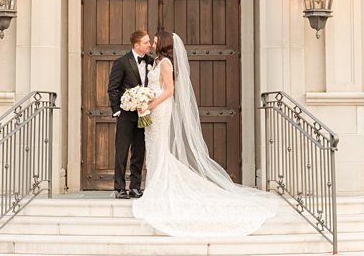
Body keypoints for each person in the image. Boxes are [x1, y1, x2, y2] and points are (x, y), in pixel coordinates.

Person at [131, 30, 282, 236]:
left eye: (156, 42)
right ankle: (155, 186)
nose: (153, 44)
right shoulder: (155, 62)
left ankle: (160, 188)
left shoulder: (166, 63)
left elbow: (169, 91)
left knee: (159, 146)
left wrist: (150, 103)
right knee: (153, 146)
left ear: (163, 44)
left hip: (160, 108)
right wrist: (143, 101)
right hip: (151, 109)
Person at [106, 29, 153, 199]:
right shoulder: (121, 62)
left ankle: (135, 186)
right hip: (125, 114)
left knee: (139, 150)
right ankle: (119, 188)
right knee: (122, 150)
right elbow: (113, 88)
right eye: (146, 42)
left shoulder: (151, 62)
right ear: (137, 45)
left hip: (143, 113)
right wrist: (117, 110)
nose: (149, 45)